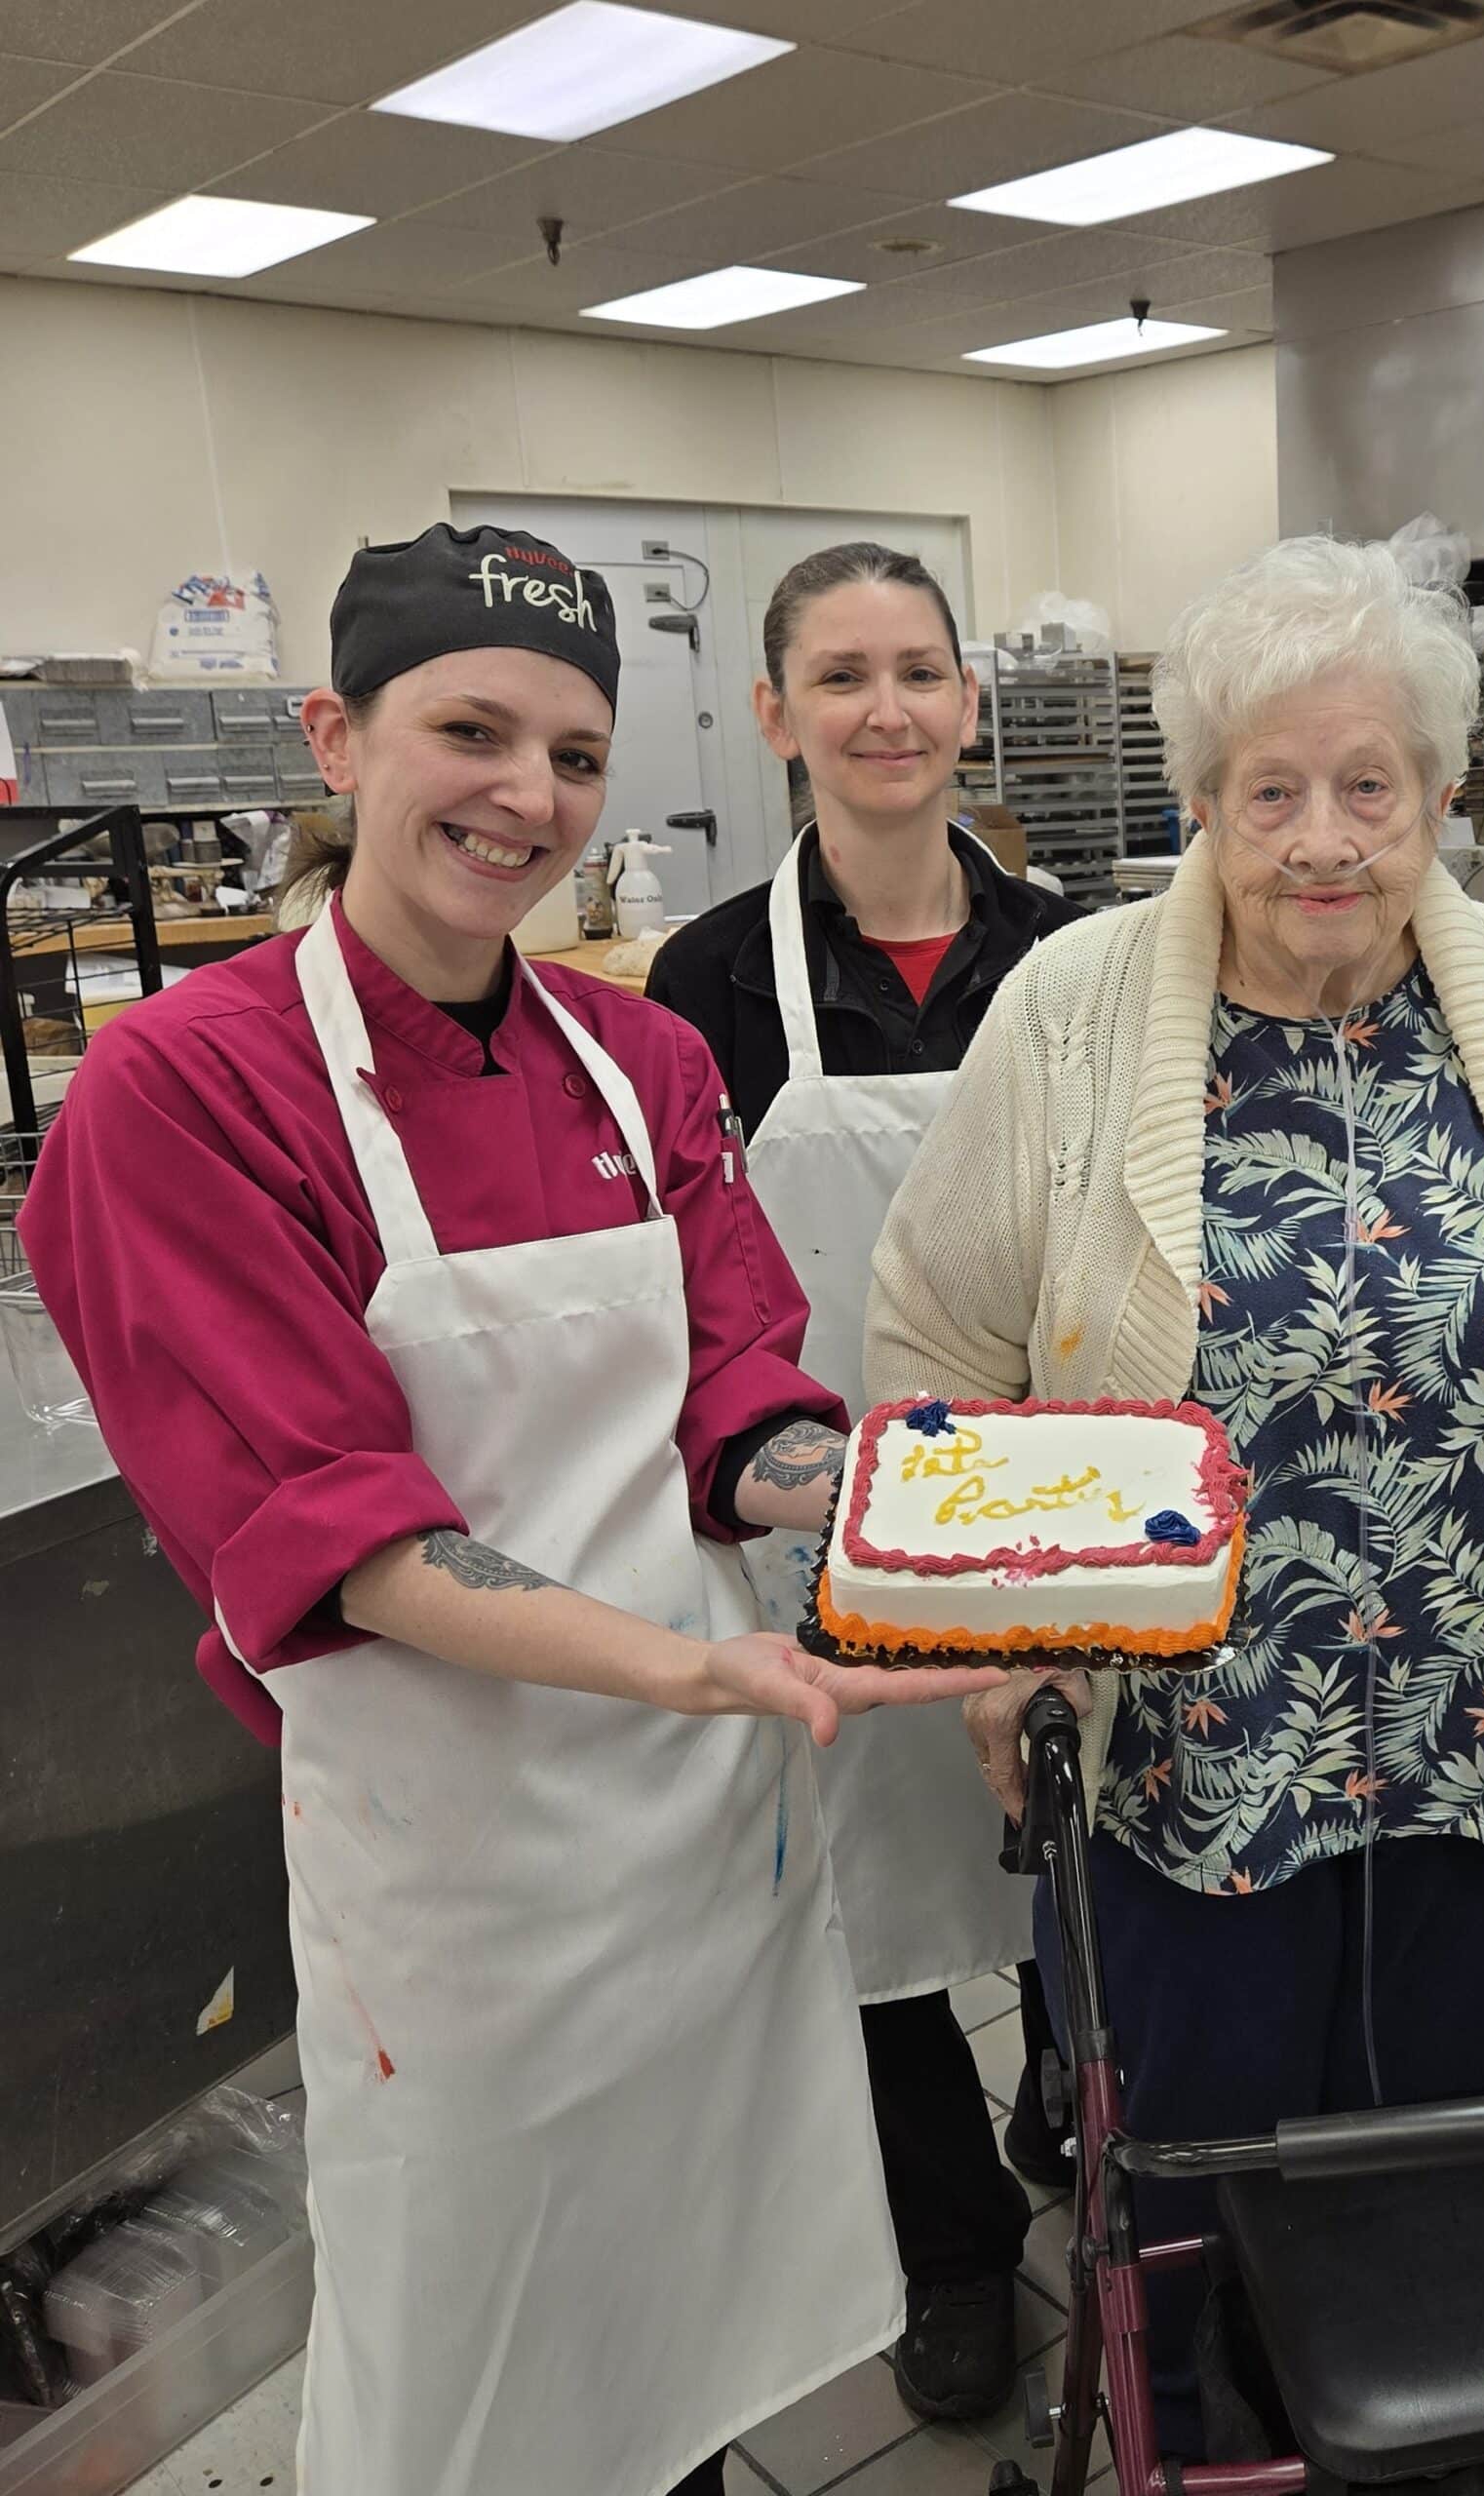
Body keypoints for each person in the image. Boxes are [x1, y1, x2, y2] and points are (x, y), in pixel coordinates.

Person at [20, 522, 1001, 2496]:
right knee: (489, 2353)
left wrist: (943, 1527)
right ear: (336, 735)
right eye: (470, 729)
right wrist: (695, 1665)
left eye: (571, 753)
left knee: (692, 2312)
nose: (525, 796)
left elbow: (740, 1383)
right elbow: (337, 1525)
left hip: (712, 1824)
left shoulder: (641, 1060)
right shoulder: (185, 1091)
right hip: (461, 1858)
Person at [862, 533, 1484, 2456]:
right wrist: (993, 1658)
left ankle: (1411, 2448)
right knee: (1185, 2176)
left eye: (1374, 785)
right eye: (1273, 788)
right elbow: (936, 1343)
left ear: (1439, 791)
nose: (1325, 837)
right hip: (1195, 1748)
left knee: (1457, 2171)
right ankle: (1182, 2432)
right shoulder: (1074, 1013)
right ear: (1202, 798)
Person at [649, 541, 1085, 2419]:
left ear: (968, 699)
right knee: (876, 1910)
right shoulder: (701, 979)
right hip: (823, 1500)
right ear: (774, 716)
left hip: (1071, 1498)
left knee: (1085, 1852)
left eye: (920, 670)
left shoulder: (1079, 949)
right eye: (841, 677)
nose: (887, 710)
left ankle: (1086, 2122)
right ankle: (955, 2254)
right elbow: (687, 1274)